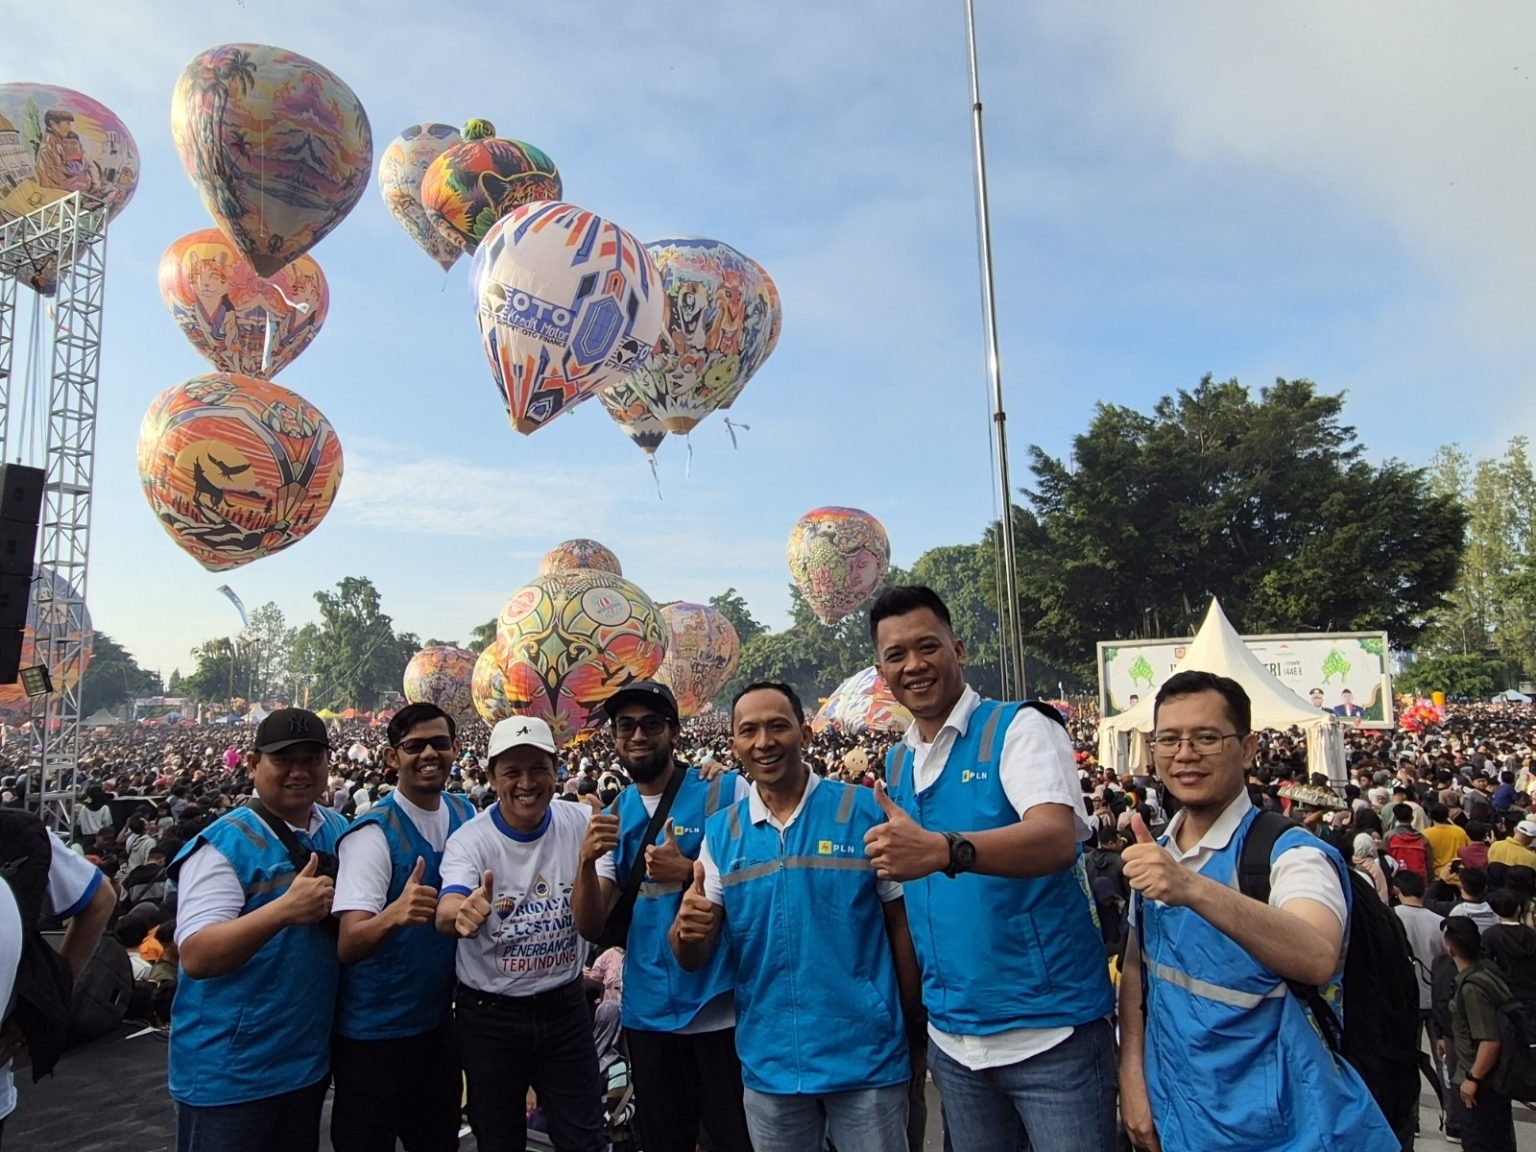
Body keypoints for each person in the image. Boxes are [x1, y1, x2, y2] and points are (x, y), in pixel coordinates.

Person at [864, 586, 1115, 1152]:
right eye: (896, 656)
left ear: (959, 648)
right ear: (881, 671)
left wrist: (945, 850)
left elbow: (1054, 837)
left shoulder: (1019, 728)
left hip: (1049, 1035)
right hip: (955, 1040)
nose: (914, 665)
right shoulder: (899, 758)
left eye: (927, 646)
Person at [1118, 670, 1395, 1152]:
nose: (1185, 754)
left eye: (1206, 737)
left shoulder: (1290, 853)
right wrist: (1133, 1080)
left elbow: (1315, 953)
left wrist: (1190, 887)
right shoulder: (1157, 851)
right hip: (1181, 1119)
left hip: (1290, 1130)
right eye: (1169, 739)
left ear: (1247, 749)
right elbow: (1140, 972)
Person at [671, 682, 923, 1152]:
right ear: (734, 745)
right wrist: (686, 932)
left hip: (866, 1059)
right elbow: (694, 952)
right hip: (771, 1067)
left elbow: (900, 927)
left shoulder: (864, 811)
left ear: (804, 733)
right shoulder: (721, 833)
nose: (764, 741)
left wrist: (911, 1026)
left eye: (777, 726)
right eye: (749, 730)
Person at [570, 681, 754, 1152]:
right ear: (613, 737)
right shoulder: (614, 814)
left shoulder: (725, 790)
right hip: (648, 1012)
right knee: (663, 1139)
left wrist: (689, 871)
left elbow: (762, 881)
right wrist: (586, 861)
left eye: (651, 725)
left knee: (735, 1138)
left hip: (719, 1007)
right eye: (626, 726)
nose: (638, 736)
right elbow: (591, 925)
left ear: (673, 732)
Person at [167, 708, 347, 1152]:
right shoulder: (222, 847)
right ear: (252, 765)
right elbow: (198, 955)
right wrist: (283, 910)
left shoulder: (340, 831)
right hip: (229, 1074)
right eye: (284, 760)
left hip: (304, 1065)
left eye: (312, 759)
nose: (299, 772)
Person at [436, 715, 603, 1152]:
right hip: (490, 1018)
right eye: (512, 772)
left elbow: (592, 925)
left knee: (583, 1137)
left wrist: (586, 864)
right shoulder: (470, 841)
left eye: (538, 769)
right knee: (497, 1139)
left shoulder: (583, 823)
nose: (526, 783)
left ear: (556, 770)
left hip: (564, 1010)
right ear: (491, 777)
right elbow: (448, 905)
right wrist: (461, 913)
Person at [331, 703, 476, 1152]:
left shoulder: (465, 813)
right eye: (415, 746)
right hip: (374, 1038)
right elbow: (349, 943)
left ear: (455, 749)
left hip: (437, 1029)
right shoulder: (372, 835)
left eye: (440, 743)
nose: (429, 754)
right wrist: (394, 914)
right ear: (392, 758)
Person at [1444, 915, 1517, 1152]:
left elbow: (1489, 1041)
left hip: (1479, 1084)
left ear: (1450, 949)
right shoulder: (1488, 973)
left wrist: (1472, 1079)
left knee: (1480, 1142)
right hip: (1493, 1082)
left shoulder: (1473, 988)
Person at [1394, 871, 1449, 1127]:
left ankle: (1412, 1119)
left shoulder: (1392, 917)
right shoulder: (1439, 921)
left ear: (1397, 890)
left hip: (1406, 998)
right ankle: (1452, 1116)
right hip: (1436, 998)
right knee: (1444, 1061)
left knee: (1408, 1060)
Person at [1424, 805, 1470, 876]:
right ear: (1447, 815)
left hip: (1438, 874)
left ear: (1430, 817)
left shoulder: (1425, 834)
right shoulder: (1459, 831)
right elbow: (1468, 850)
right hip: (1458, 873)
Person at [1450, 868, 1500, 933]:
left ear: (1461, 885)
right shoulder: (1495, 908)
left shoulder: (1456, 911)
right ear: (1485, 887)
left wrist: (1441, 881)